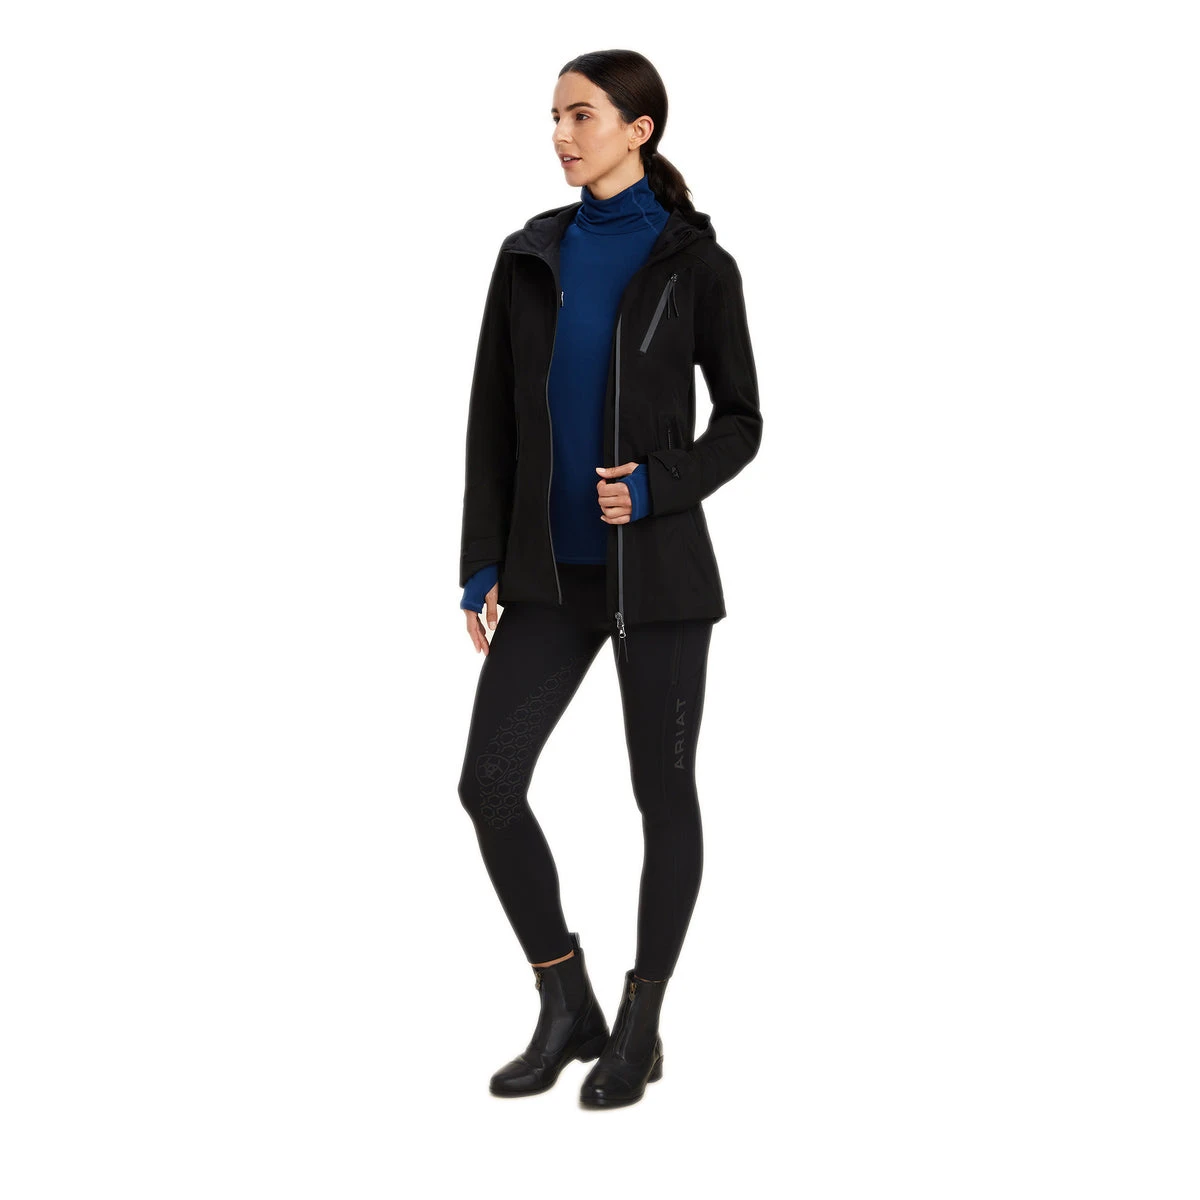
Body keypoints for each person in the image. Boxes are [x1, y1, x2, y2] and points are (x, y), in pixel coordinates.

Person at [456, 49, 762, 1109]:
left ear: (639, 129)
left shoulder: (696, 264)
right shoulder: (529, 256)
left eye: (581, 116)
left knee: (661, 794)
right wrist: (482, 561)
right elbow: (493, 417)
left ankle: (641, 1022)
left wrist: (660, 485)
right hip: (549, 575)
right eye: (554, 116)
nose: (561, 135)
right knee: (488, 785)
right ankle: (566, 1003)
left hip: (661, 578)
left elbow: (742, 422)